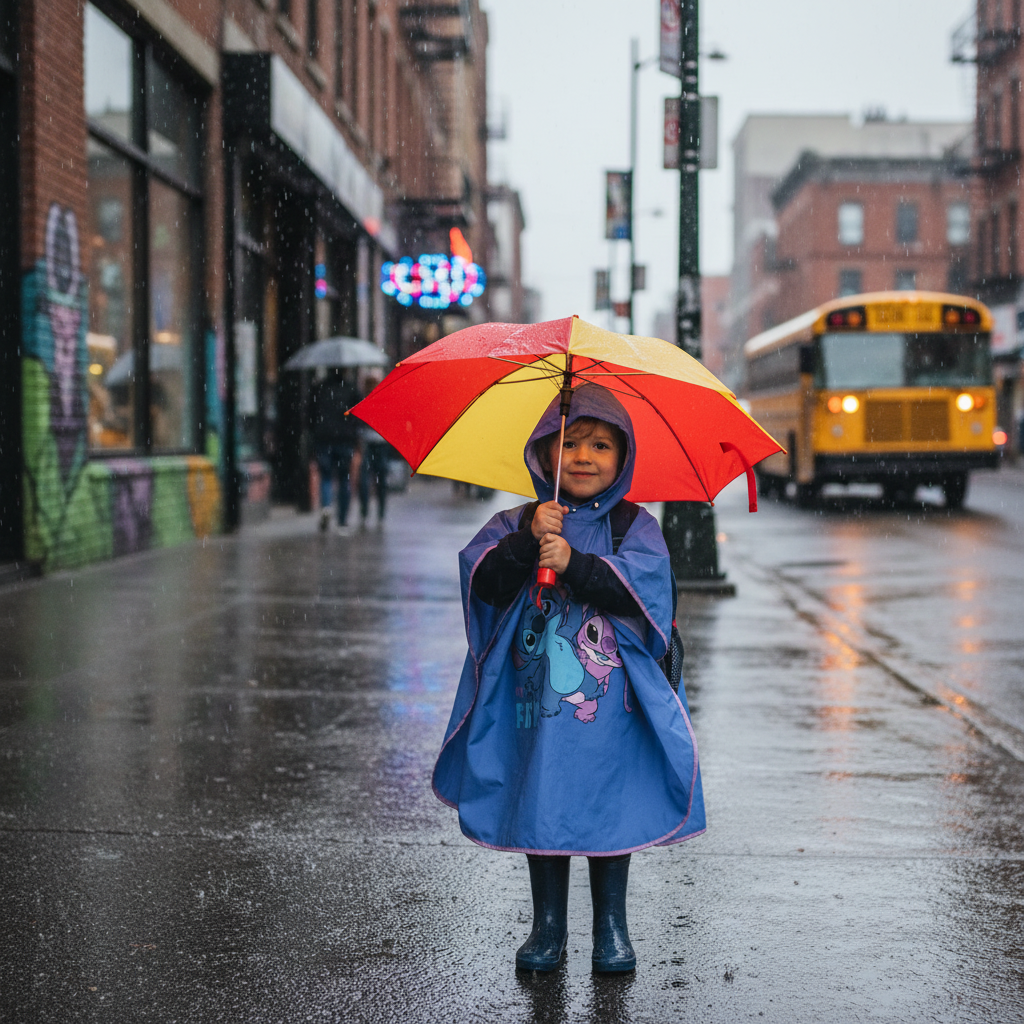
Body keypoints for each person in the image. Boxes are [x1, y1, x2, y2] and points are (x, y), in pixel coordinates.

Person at [432, 383, 705, 974]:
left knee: (610, 803)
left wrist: (576, 564)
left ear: (623, 457)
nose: (584, 456)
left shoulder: (633, 526)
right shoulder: (518, 521)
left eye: (601, 445)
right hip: (535, 706)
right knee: (542, 799)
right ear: (543, 453)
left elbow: (646, 595)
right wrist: (525, 543)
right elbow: (483, 583)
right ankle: (548, 927)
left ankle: (611, 927)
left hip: (612, 708)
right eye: (570, 442)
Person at [311, 370, 360, 533]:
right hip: (345, 439)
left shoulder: (320, 389)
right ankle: (342, 520)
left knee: (326, 476)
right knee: (344, 477)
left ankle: (326, 506)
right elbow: (358, 415)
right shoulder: (351, 389)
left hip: (324, 438)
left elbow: (310, 414)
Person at [357, 423, 391, 525]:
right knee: (365, 481)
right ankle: (365, 512)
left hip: (381, 443)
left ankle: (380, 513)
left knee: (381, 481)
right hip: (369, 443)